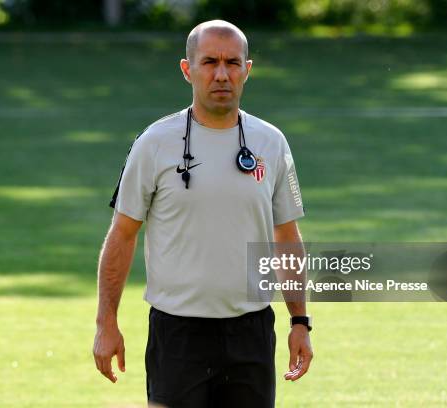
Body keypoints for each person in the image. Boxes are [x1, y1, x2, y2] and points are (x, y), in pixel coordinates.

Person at [93, 19, 313, 408]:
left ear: (247, 70)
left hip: (251, 331)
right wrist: (105, 322)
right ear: (187, 69)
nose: (222, 74)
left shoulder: (271, 142)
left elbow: (287, 236)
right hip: (178, 334)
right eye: (210, 62)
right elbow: (123, 234)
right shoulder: (154, 143)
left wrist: (300, 322)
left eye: (233, 62)